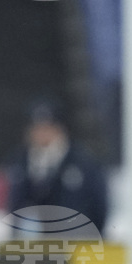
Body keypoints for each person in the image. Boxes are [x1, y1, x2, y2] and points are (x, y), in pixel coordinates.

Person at [6, 99, 108, 234]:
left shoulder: (83, 162)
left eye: (47, 127)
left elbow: (99, 206)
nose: (42, 133)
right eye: (37, 128)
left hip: (76, 240)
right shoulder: (21, 162)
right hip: (37, 244)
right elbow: (15, 205)